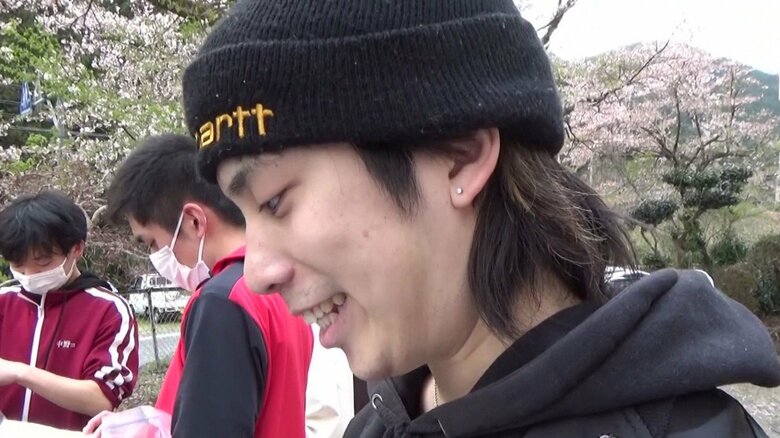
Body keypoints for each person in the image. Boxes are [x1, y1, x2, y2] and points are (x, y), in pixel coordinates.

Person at [182, 1, 780, 437]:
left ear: (460, 158)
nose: (256, 273)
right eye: (246, 216)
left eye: (276, 201)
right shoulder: (378, 424)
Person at [97, 134, 350, 438]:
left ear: (194, 221)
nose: (157, 257)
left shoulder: (221, 301)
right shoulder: (279, 290)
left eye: (153, 243)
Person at [0, 190, 138, 431]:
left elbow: (101, 398)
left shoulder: (108, 310)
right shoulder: (4, 301)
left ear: (77, 249)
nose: (30, 274)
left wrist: (21, 373)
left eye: (43, 261)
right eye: (18, 265)